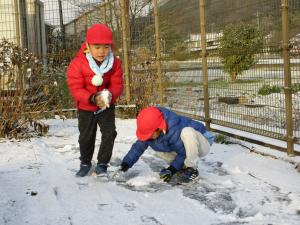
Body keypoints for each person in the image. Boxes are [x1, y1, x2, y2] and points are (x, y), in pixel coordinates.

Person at [67, 24, 123, 177]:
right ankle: (85, 162)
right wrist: (91, 98)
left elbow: (117, 84)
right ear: (88, 46)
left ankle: (102, 164)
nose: (101, 51)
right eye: (97, 47)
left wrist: (109, 95)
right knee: (86, 136)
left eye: (106, 47)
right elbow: (75, 87)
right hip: (86, 106)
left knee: (110, 133)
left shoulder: (115, 63)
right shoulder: (78, 63)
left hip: (106, 105)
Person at [119, 107, 215, 183]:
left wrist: (172, 169)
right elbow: (138, 147)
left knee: (187, 132)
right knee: (158, 148)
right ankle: (183, 167)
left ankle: (191, 168)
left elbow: (183, 153)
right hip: (185, 148)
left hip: (202, 142)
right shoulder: (152, 128)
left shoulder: (173, 129)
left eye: (150, 134)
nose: (148, 137)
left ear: (159, 128)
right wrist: (125, 165)